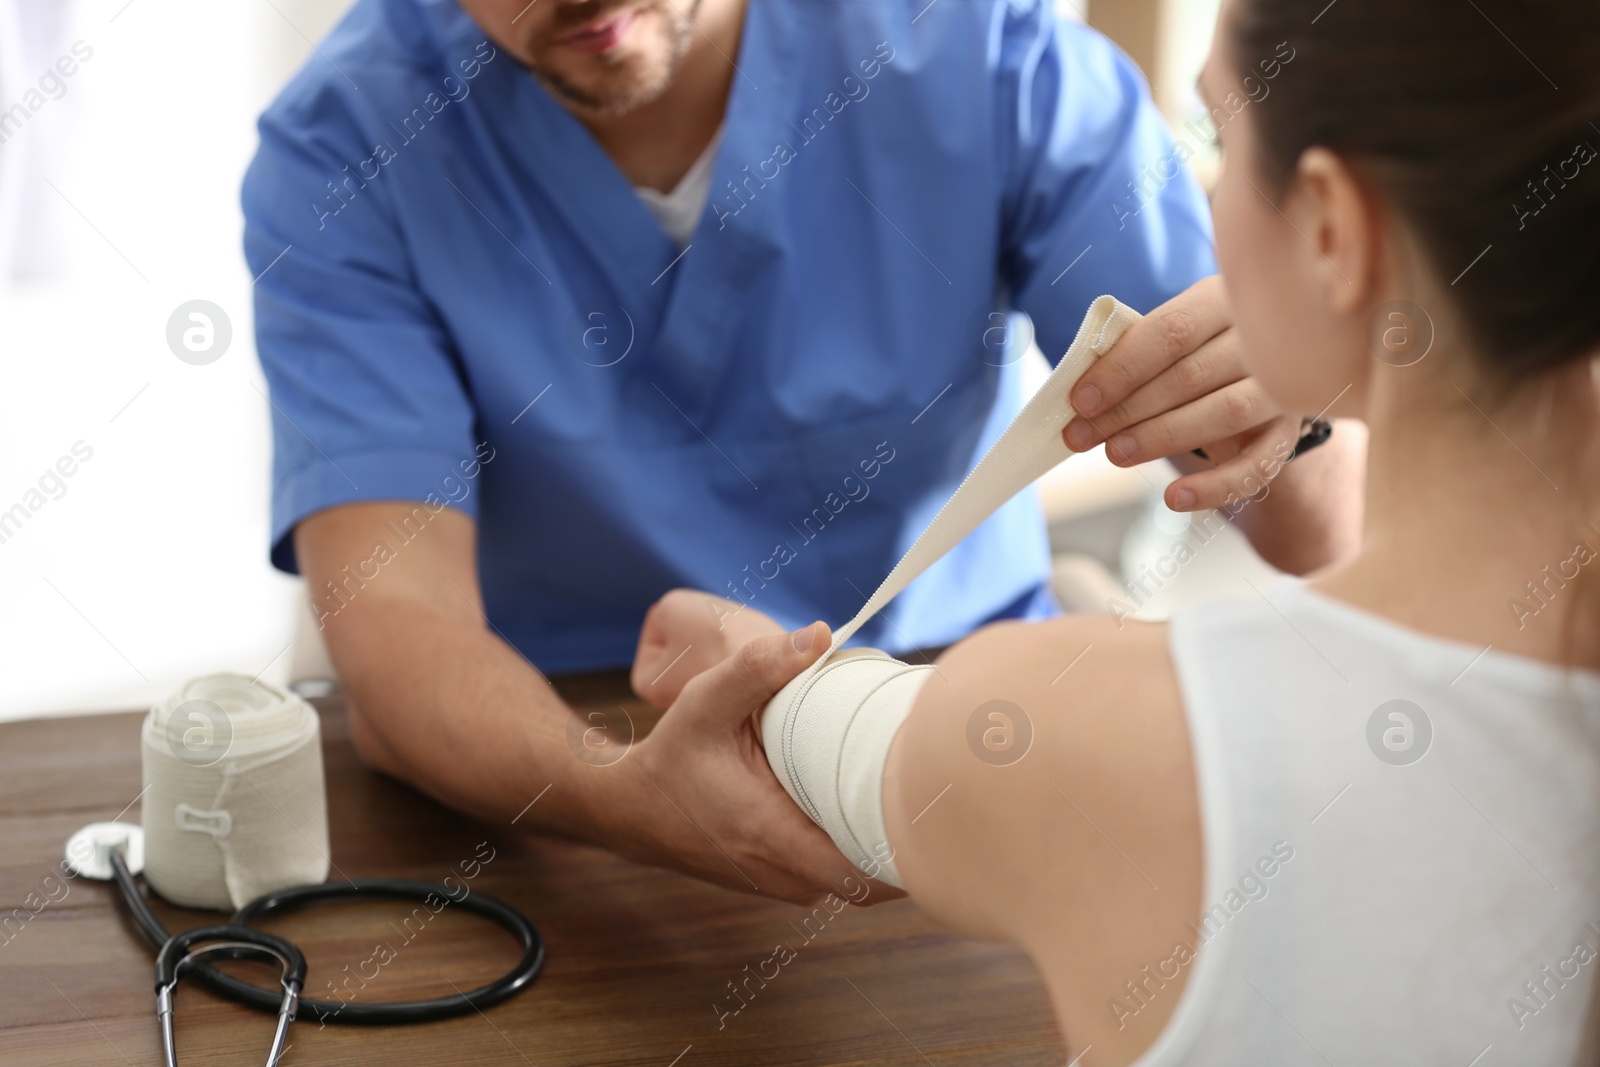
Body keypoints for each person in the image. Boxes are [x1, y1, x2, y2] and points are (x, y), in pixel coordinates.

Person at [635, 0, 1600, 1061]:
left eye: (1220, 143)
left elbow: (855, 744)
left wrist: (743, 663)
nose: (1203, 197)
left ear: (1332, 229)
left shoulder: (1080, 735)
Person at [241, 0, 1361, 905]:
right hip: (563, 778)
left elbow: (1319, 529)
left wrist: (1295, 386)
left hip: (967, 743)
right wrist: (620, 792)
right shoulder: (350, 144)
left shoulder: (980, 53)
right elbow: (398, 642)